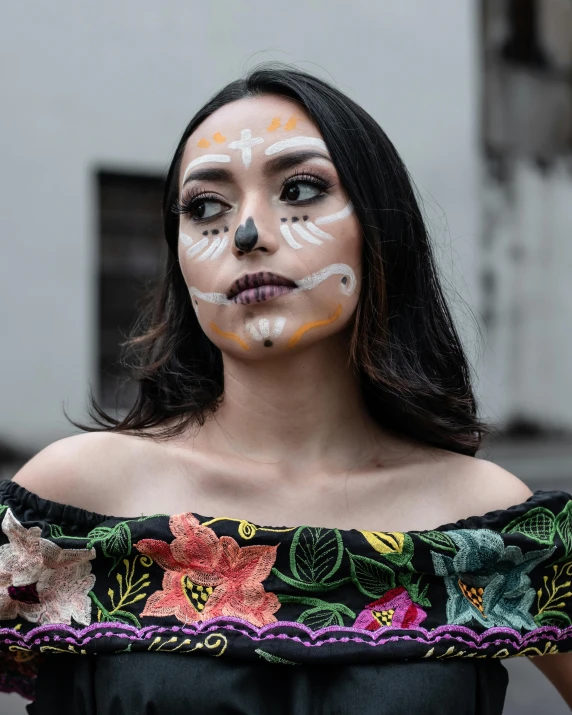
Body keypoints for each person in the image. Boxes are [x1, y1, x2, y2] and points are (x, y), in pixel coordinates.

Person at [1, 65, 571, 714]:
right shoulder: (77, 500)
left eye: (300, 189)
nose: (248, 234)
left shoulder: (482, 518)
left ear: (379, 228)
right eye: (205, 207)